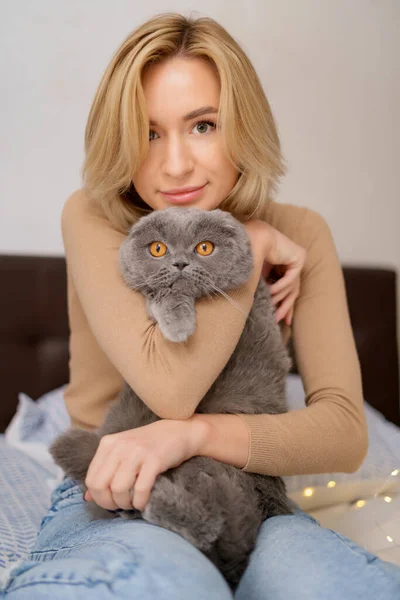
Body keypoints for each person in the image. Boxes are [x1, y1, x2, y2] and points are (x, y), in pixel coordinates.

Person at [2, 12, 400, 600]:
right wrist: (251, 242)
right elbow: (170, 390)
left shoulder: (304, 231)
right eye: (148, 132)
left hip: (254, 496)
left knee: (330, 582)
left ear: (243, 124)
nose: (176, 165)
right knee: (147, 582)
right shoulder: (94, 216)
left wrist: (191, 438)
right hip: (116, 489)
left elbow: (345, 431)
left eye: (204, 125)